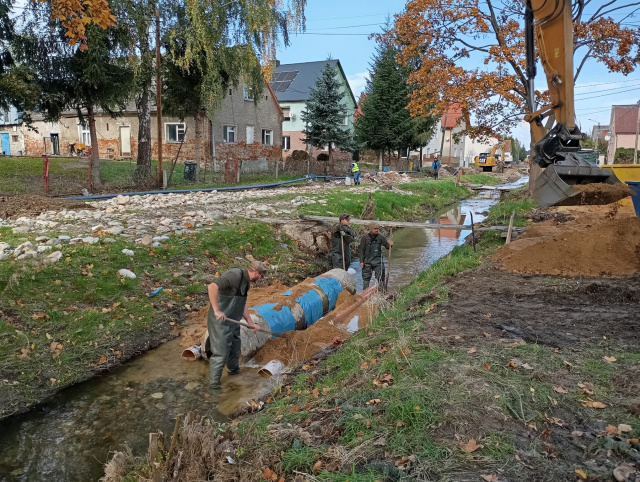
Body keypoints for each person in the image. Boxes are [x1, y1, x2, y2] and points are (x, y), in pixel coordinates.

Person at [207, 260, 267, 389]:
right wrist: (217, 310)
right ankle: (214, 386)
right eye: (262, 276)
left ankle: (234, 375)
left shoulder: (246, 284)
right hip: (221, 322)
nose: (261, 279)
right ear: (256, 272)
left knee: (234, 350)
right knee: (221, 353)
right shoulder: (234, 275)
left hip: (234, 321)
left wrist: (250, 323)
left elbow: (242, 304)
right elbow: (212, 286)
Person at [359, 223, 393, 291]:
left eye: (377, 229)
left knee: (380, 278)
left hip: (378, 262)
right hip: (367, 261)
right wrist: (361, 261)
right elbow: (361, 249)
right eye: (375, 229)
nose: (377, 230)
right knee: (366, 278)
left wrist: (390, 245)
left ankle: (383, 293)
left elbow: (387, 247)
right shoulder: (365, 237)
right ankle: (365, 294)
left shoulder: (381, 237)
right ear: (370, 229)